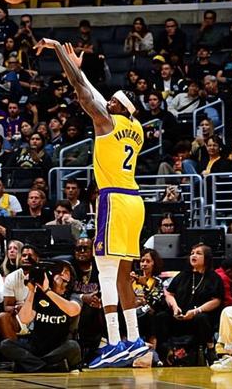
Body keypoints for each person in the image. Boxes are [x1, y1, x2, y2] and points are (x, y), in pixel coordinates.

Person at [35, 38, 148, 368]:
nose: (107, 102)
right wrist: (82, 73)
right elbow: (95, 93)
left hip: (113, 199)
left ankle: (114, 342)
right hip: (135, 201)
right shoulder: (136, 128)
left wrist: (58, 50)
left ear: (119, 108)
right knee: (124, 274)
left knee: (106, 272)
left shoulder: (105, 121)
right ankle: (134, 339)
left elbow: (82, 91)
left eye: (113, 101)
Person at [0, 261, 82, 372]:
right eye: (60, 271)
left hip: (59, 347)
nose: (63, 275)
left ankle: (30, 365)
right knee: (5, 345)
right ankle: (48, 367)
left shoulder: (73, 295)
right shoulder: (39, 295)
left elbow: (73, 311)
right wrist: (31, 291)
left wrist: (48, 291)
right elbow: (24, 319)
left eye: (66, 272)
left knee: (73, 346)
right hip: (36, 346)